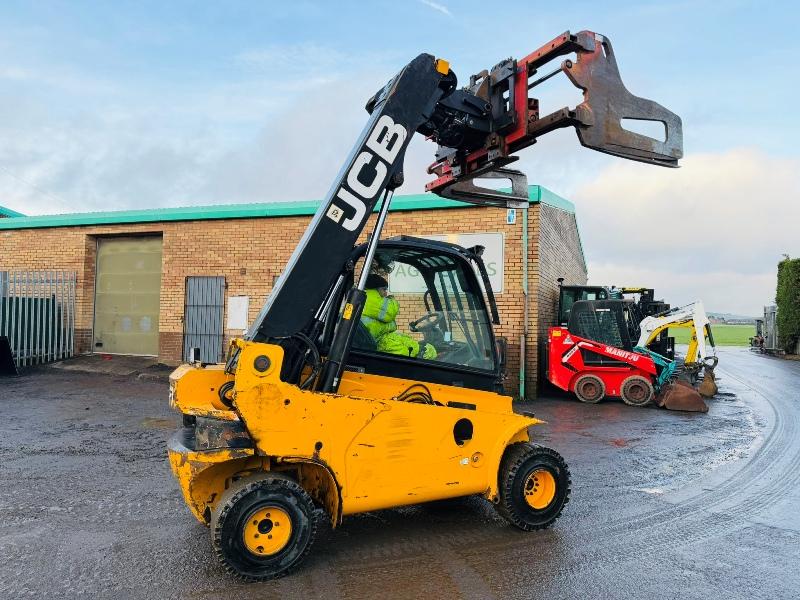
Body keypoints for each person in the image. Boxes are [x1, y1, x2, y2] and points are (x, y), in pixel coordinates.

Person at [361, 273, 437, 359]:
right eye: (384, 289)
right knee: (420, 351)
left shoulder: (364, 298)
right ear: (374, 289)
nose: (386, 294)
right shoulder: (369, 298)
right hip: (377, 342)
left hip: (377, 339)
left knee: (407, 340)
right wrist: (392, 300)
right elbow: (390, 312)